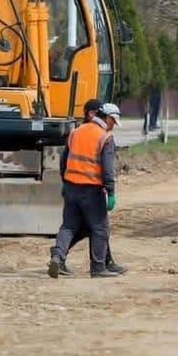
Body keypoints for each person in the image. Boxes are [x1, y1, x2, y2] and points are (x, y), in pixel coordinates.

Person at [49, 100, 126, 278]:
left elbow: (64, 161)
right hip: (91, 190)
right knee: (100, 228)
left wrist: (65, 183)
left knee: (68, 226)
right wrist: (111, 191)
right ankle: (98, 268)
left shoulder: (76, 132)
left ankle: (57, 256)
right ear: (106, 118)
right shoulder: (105, 137)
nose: (113, 126)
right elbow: (107, 169)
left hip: (71, 187)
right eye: (113, 121)